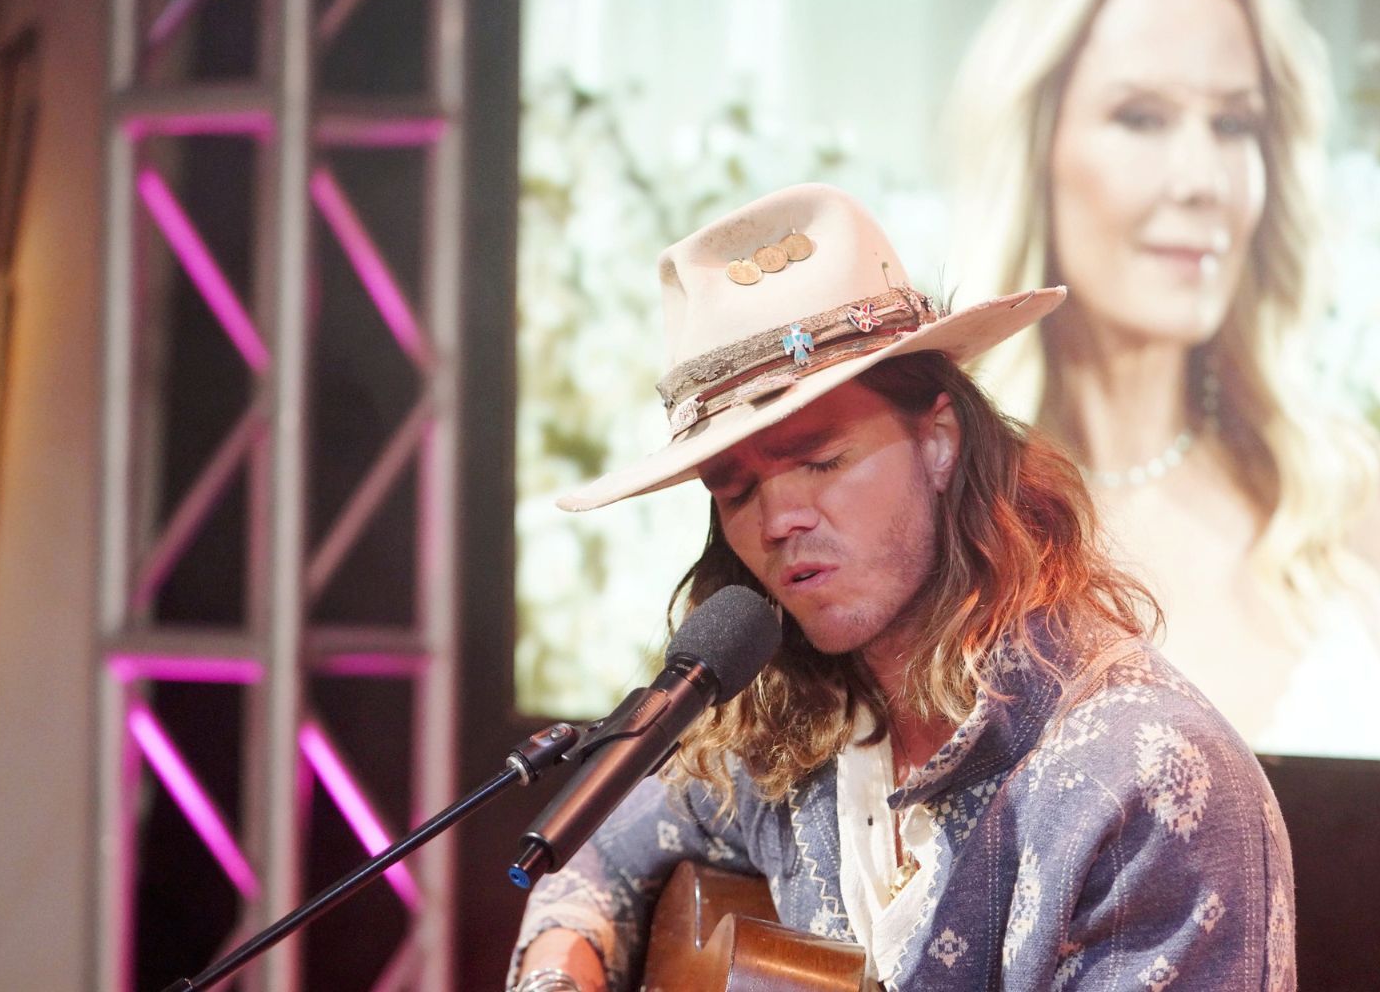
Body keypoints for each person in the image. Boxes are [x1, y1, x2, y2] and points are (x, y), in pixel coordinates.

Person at [506, 183, 1294, 991]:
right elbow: (596, 854)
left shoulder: (1138, 784)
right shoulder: (793, 736)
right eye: (735, 491)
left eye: (821, 459)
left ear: (940, 442)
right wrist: (555, 975)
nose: (778, 520)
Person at [943, 0, 1380, 759]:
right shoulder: (946, 510)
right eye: (1141, 117)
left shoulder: (1344, 495)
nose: (1203, 180)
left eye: (1234, 125)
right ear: (1036, 147)